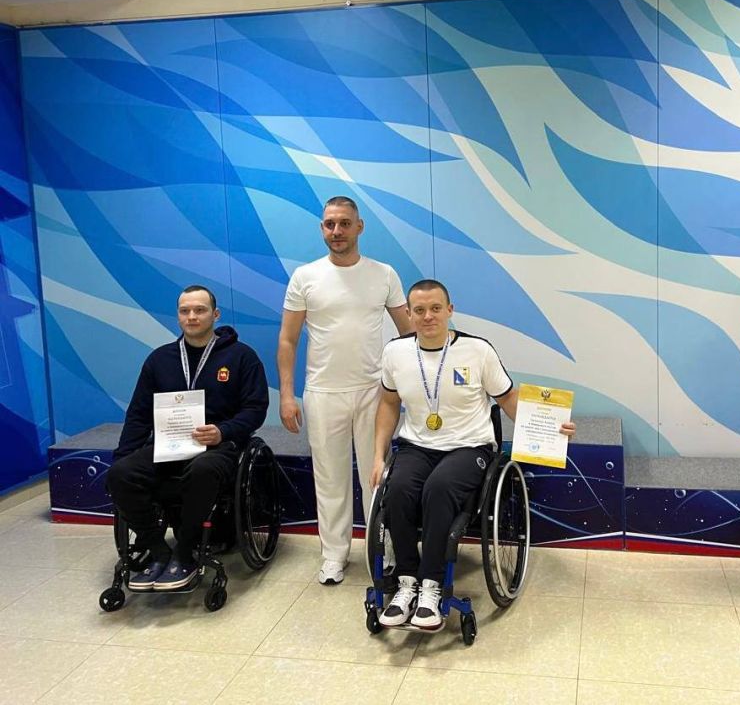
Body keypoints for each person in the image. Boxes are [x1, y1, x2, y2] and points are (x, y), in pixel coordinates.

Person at [372, 279, 575, 630]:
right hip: (417, 446)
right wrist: (378, 456)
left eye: (436, 308)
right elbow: (389, 403)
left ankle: (431, 586)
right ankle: (406, 582)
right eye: (419, 310)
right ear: (408, 314)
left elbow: (507, 399)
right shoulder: (395, 352)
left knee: (438, 488)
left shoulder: (477, 350)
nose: (428, 316)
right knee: (399, 489)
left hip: (469, 447)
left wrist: (550, 425)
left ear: (450, 310)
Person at [278, 195, 410, 585]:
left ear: (359, 227)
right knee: (330, 478)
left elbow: (409, 333)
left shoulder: (384, 274)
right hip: (322, 392)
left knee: (376, 475)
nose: (336, 231)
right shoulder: (305, 276)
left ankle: (379, 550)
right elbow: (287, 340)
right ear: (322, 228)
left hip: (373, 392)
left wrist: (411, 387)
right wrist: (286, 394)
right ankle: (334, 555)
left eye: (344, 224)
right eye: (330, 224)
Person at [106, 285, 269, 591]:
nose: (192, 316)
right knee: (120, 473)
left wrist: (223, 431)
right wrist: (123, 457)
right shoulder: (159, 360)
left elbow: (255, 409)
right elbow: (139, 414)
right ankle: (158, 551)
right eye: (185, 311)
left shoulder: (241, 357)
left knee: (203, 469)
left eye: (200, 310)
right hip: (169, 445)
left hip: (219, 446)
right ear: (178, 316)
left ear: (215, 315)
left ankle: (184, 552)